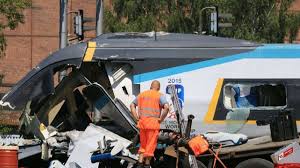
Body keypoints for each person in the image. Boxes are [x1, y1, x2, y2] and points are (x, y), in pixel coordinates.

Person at [130, 80, 169, 168]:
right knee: (150, 145)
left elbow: (132, 105)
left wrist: (136, 117)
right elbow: (166, 108)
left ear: (150, 87)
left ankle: (140, 163)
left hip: (142, 124)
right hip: (153, 124)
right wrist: (161, 119)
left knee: (143, 144)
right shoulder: (159, 95)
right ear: (158, 88)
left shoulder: (142, 94)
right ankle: (147, 164)